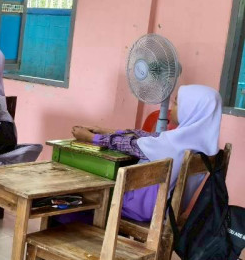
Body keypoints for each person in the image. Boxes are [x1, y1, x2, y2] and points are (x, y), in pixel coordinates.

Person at [72, 84, 222, 222]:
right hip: (168, 210)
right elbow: (150, 137)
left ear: (191, 110)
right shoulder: (198, 144)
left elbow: (131, 145)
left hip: (143, 209)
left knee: (84, 199)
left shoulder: (171, 145)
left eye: (176, 103)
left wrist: (91, 138)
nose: (172, 107)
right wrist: (106, 130)